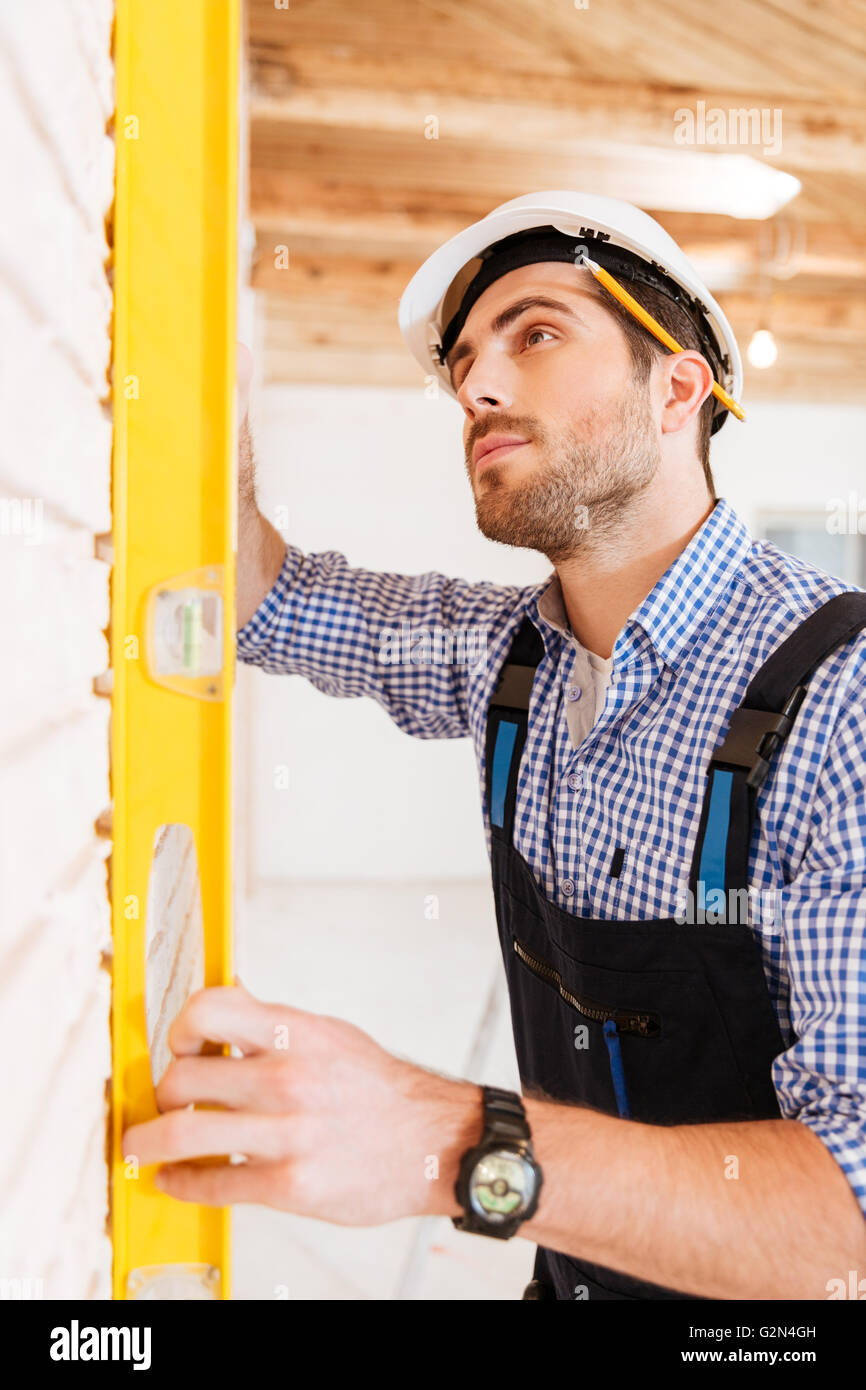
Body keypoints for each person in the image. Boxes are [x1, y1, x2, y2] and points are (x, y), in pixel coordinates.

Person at [123, 193, 866, 1300]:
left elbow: (844, 1226)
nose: (474, 387)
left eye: (535, 333)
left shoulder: (837, 699)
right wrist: (177, 340)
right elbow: (259, 593)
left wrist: (449, 1136)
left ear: (676, 390)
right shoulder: (509, 657)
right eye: (464, 362)